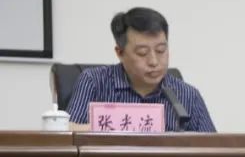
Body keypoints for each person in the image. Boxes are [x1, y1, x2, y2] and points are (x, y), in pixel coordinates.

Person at [68, 7, 216, 132]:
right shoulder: (94, 82)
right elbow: (67, 133)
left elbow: (213, 149)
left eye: (161, 50)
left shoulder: (188, 96)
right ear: (120, 53)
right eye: (142, 53)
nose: (154, 61)